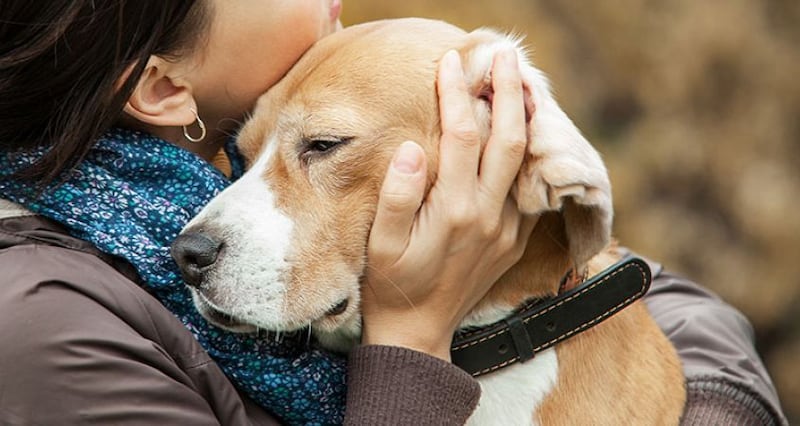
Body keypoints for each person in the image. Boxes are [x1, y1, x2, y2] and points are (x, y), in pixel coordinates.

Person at [0, 1, 787, 425]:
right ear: (164, 87)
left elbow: (650, 295)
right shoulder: (47, 328)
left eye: (319, 146)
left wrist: (715, 408)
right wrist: (411, 333)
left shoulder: (226, 164)